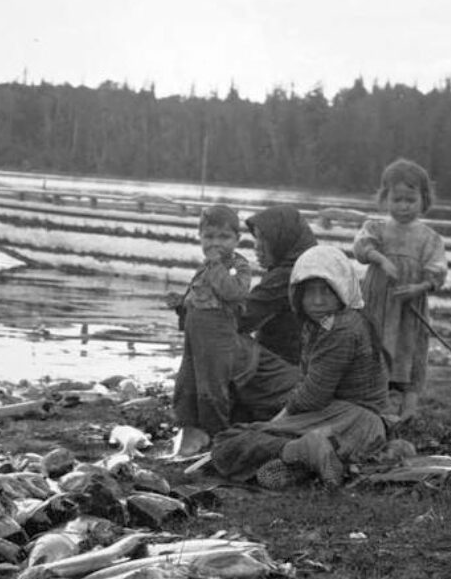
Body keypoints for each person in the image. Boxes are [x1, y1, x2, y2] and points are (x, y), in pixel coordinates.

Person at [211, 245, 390, 490]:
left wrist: (274, 423)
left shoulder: (339, 328)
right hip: (361, 429)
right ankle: (309, 458)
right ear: (298, 294)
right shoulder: (334, 322)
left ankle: (301, 448)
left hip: (351, 421)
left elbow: (313, 396)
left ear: (342, 291)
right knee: (267, 462)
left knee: (227, 442)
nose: (316, 301)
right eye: (309, 293)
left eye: (326, 292)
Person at [353, 158, 447, 422]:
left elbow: (437, 271)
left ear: (423, 200)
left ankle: (408, 410)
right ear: (385, 198)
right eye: (397, 199)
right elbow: (361, 248)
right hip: (378, 302)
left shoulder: (430, 238)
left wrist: (420, 287)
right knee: (375, 345)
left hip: (409, 305)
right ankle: (378, 404)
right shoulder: (377, 228)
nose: (403, 206)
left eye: (410, 200)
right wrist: (381, 259)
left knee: (411, 349)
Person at [166, 205, 253, 455]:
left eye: (224, 237)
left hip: (218, 334)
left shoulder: (238, 265)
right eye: (209, 237)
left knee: (212, 387)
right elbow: (199, 294)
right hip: (195, 333)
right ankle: (190, 431)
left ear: (237, 239)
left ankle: (217, 437)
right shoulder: (205, 266)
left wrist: (216, 266)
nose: (216, 243)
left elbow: (233, 292)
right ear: (200, 237)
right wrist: (181, 302)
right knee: (186, 383)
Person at [239, 205, 317, 365]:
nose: (257, 246)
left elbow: (241, 317)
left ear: (283, 239)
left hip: (286, 366)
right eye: (256, 238)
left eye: (265, 239)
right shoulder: (308, 265)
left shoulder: (286, 276)